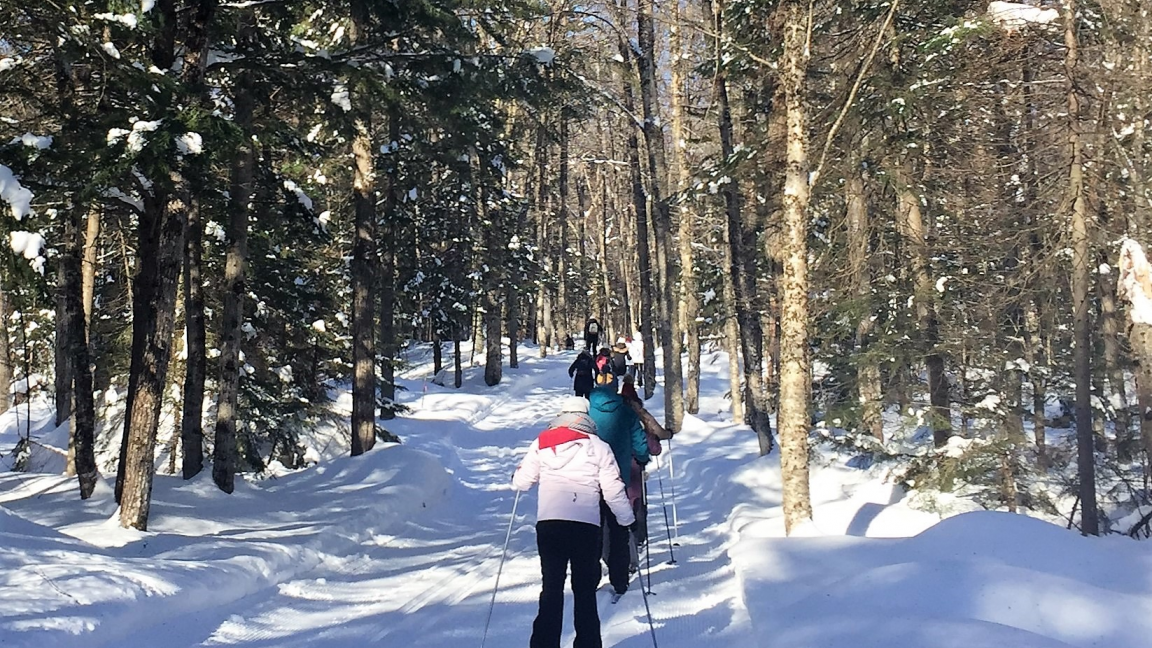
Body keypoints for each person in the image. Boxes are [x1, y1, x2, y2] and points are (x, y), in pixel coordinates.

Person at [513, 396, 635, 648]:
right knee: (584, 590)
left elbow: (522, 482)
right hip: (585, 525)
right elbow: (612, 489)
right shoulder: (598, 446)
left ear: (561, 415)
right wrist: (626, 519)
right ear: (586, 418)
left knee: (551, 588)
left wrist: (517, 474)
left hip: (549, 524)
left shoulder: (541, 443)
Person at [587, 381, 649, 596]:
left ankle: (590, 577)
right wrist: (642, 457)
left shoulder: (586, 413)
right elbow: (639, 440)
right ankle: (619, 579)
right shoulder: (626, 413)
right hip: (618, 479)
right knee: (618, 530)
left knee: (593, 530)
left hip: (589, 482)